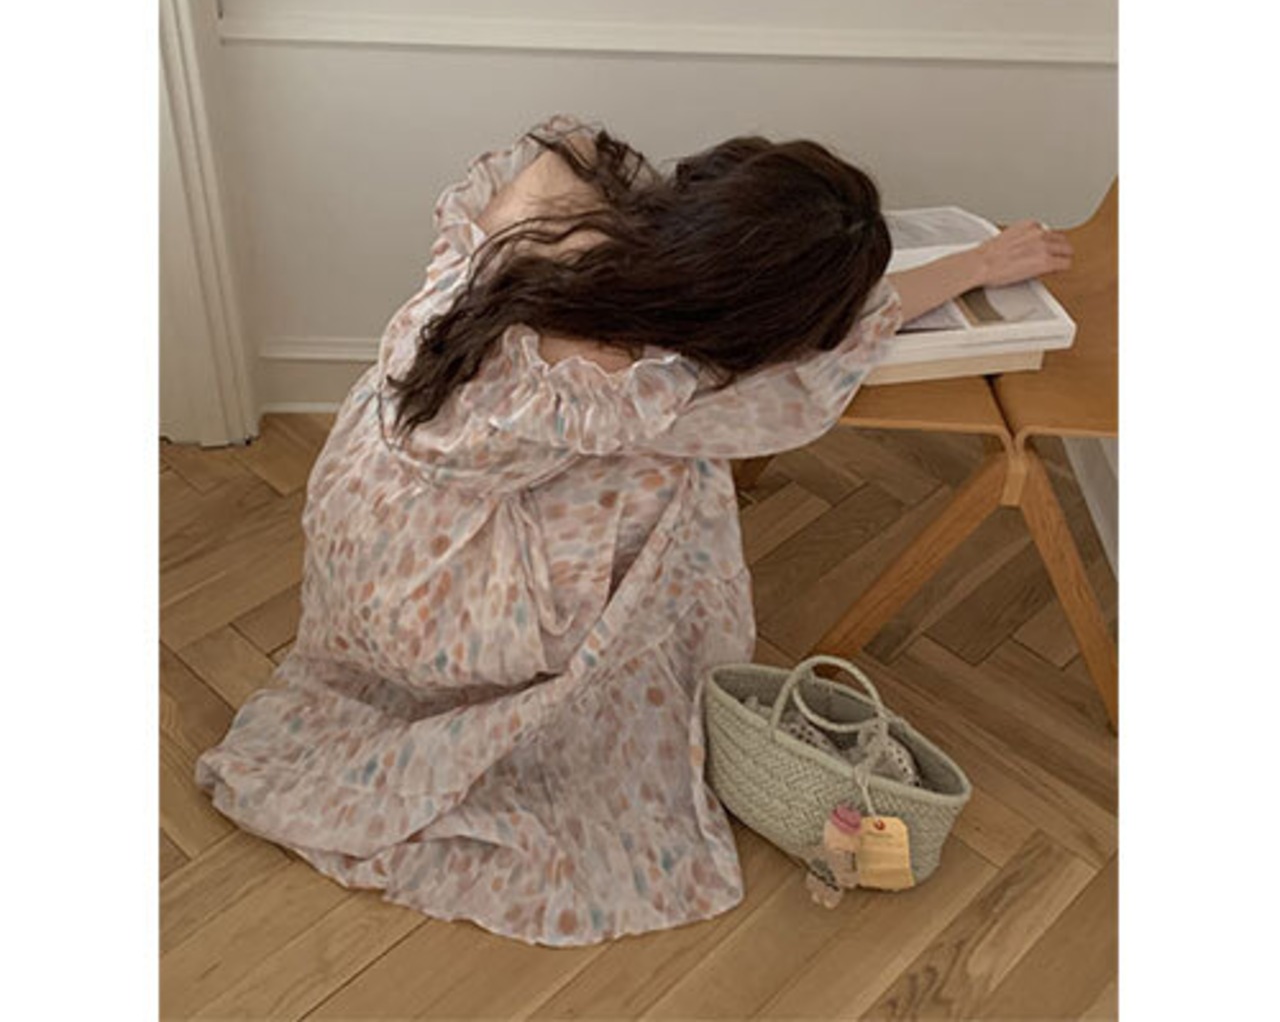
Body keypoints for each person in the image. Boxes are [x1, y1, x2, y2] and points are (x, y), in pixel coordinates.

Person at [194, 112, 1072, 948]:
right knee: (681, 477)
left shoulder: (560, 181)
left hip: (365, 511)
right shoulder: (622, 380)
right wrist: (971, 266)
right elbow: (804, 376)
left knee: (663, 450)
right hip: (428, 597)